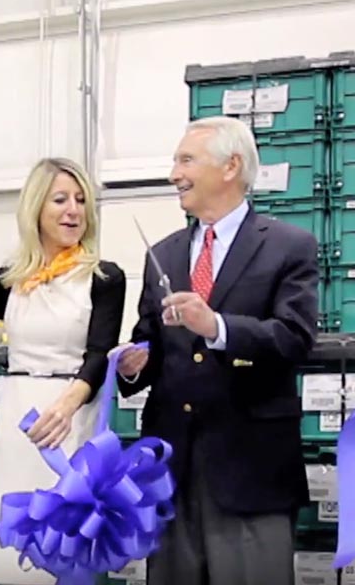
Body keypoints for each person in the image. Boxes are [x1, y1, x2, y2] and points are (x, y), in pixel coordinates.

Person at [115, 116, 319, 585]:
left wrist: (218, 326)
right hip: (171, 473)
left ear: (231, 167)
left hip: (252, 472)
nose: (173, 174)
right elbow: (149, 335)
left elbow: (294, 338)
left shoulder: (290, 246)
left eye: (186, 160)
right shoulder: (162, 254)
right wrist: (134, 364)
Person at [0, 158, 126, 584]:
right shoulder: (17, 279)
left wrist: (65, 406)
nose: (73, 210)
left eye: (81, 200)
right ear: (36, 209)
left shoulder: (103, 277)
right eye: (60, 199)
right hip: (17, 423)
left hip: (72, 420)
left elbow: (99, 354)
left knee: (65, 543)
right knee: (13, 547)